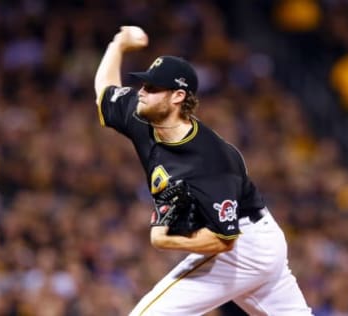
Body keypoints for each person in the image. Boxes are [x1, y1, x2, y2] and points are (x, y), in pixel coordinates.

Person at [94, 25, 312, 316]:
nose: (142, 92)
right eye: (144, 85)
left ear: (177, 97)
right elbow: (104, 93)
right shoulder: (142, 116)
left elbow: (223, 239)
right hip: (257, 239)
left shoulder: (211, 160)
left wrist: (167, 240)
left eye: (152, 88)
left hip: (241, 246)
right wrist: (118, 44)